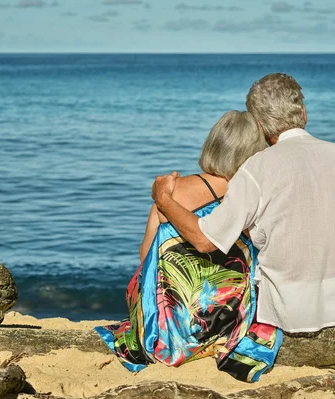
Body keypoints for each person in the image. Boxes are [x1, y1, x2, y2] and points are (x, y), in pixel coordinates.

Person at [152, 73, 335, 334]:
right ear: (304, 113)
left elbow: (206, 240)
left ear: (260, 127)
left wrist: (163, 199)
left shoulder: (256, 168)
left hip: (292, 314)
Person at [95, 110, 284, 383]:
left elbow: (146, 258)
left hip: (168, 324)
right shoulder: (251, 198)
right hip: (227, 321)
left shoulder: (171, 192)